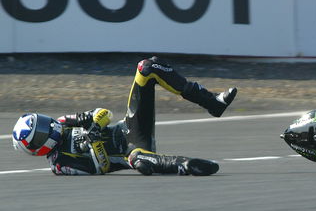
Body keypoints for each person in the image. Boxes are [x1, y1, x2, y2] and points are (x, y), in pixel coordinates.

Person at [11, 56, 237, 176]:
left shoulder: (62, 122)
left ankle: (212, 102)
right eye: (41, 132)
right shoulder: (60, 165)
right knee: (139, 162)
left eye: (41, 121)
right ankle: (186, 165)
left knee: (147, 67)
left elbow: (102, 113)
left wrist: (96, 128)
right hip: (129, 153)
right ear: (37, 147)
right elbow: (100, 168)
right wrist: (95, 142)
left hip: (130, 127)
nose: (47, 126)